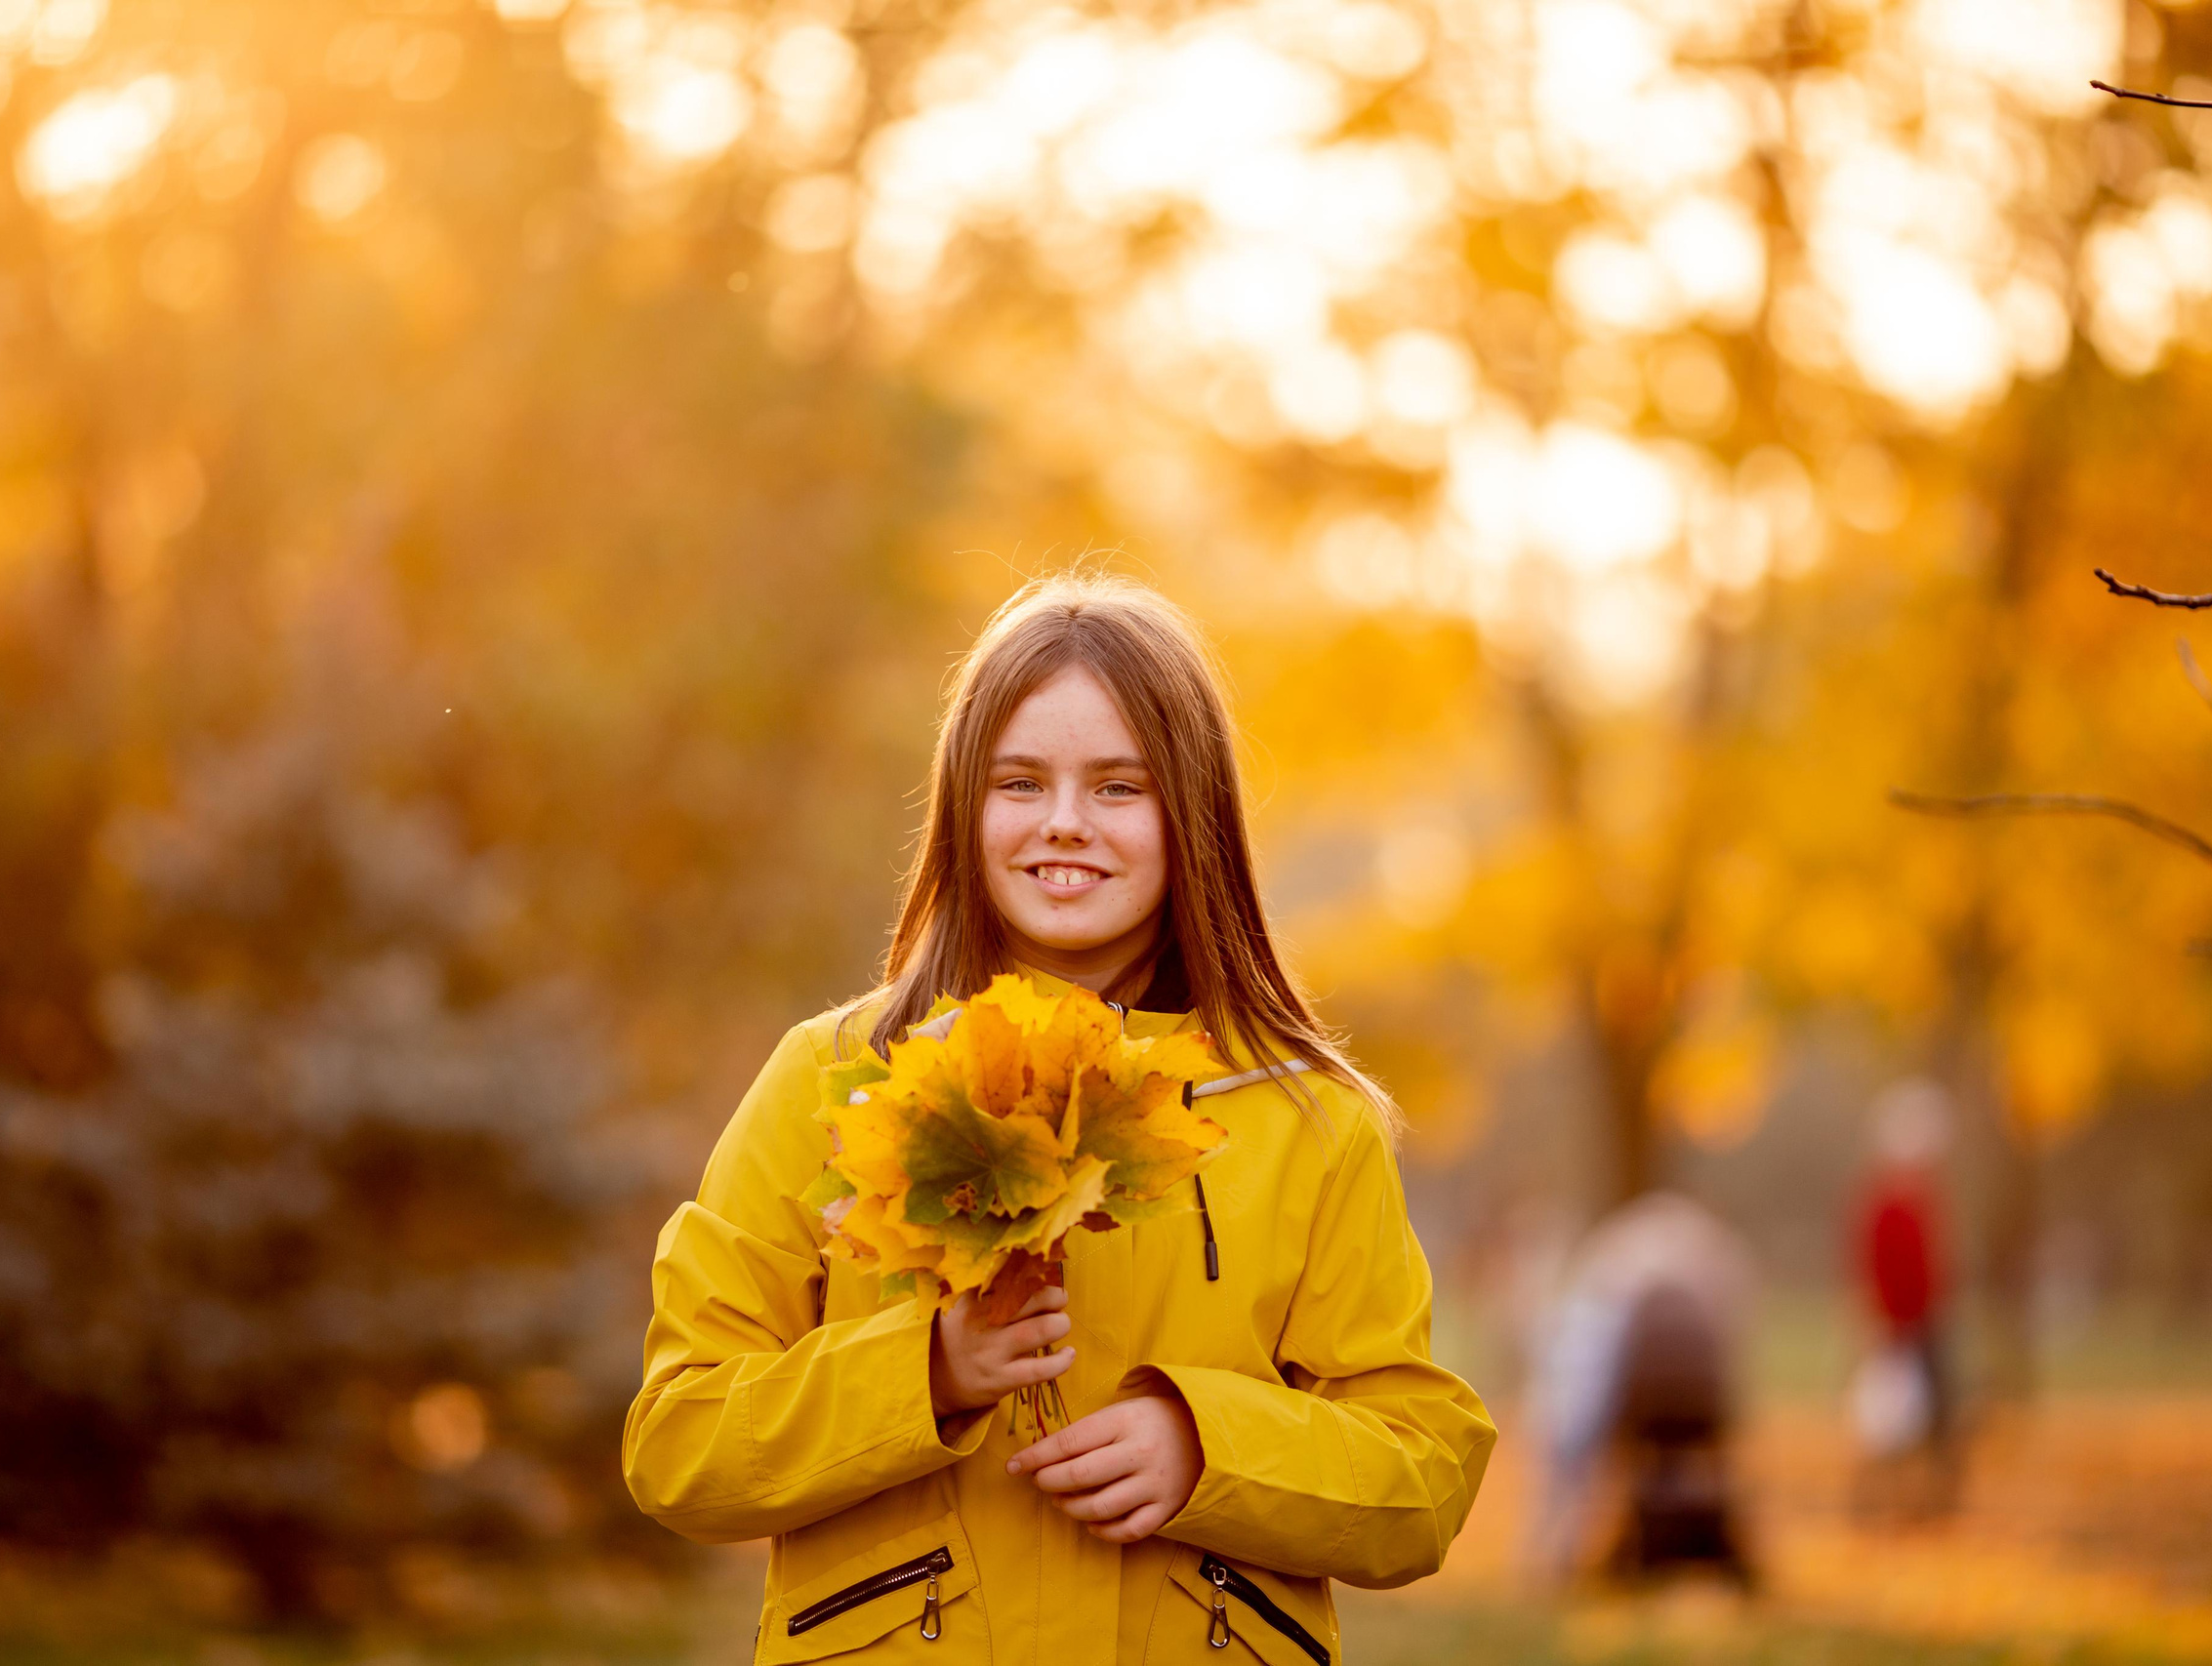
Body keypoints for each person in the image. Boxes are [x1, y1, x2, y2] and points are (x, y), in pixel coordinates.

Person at [623, 574, 1495, 1662]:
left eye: (1119, 786)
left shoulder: (1304, 1120)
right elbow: (680, 1444)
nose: (1065, 822)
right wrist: (926, 1372)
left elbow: (1422, 1475)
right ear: (963, 806)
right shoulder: (835, 1078)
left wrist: (1208, 1447)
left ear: (1194, 817)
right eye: (1020, 782)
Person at [1535, 1191, 1754, 1586]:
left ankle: (1557, 1552)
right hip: (1699, 1405)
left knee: (1576, 1444)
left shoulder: (1609, 1267)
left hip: (1638, 1401)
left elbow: (1578, 1406)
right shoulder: (1706, 1253)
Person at [1846, 1077, 1958, 1519]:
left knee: (1934, 1417)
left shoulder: (1923, 1199)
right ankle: (1880, 1503)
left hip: (1926, 1322)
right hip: (1894, 1327)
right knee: (1889, 1423)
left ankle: (1927, 1502)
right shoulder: (1885, 1203)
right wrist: (1876, 1322)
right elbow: (1868, 1267)